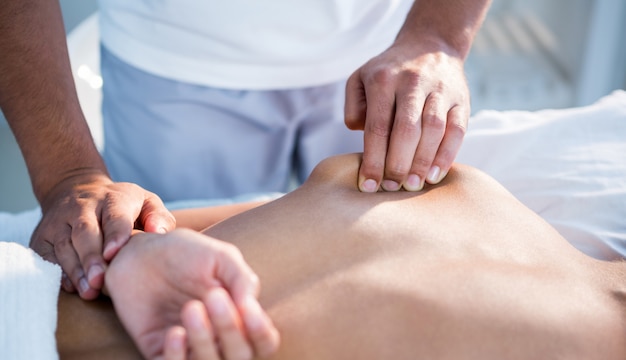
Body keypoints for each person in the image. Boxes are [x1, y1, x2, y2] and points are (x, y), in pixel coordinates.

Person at [58, 153, 626, 360]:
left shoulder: (461, 192)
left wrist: (126, 251)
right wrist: (131, 252)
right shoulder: (453, 188)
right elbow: (124, 222)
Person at [0, 0, 491, 300]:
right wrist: (71, 174)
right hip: (174, 62)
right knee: (143, 251)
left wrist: (437, 35)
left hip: (382, 56)